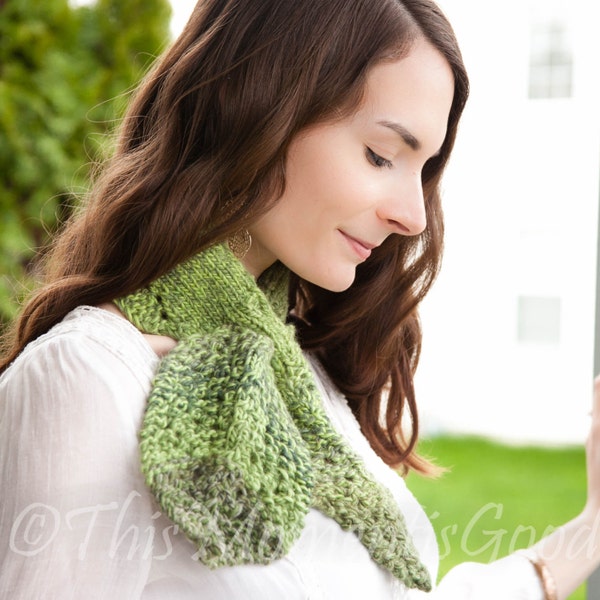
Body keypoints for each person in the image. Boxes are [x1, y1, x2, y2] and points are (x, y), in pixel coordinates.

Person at [0, 0, 598, 598]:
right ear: (257, 107)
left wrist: (587, 534)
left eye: (423, 169)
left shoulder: (297, 364)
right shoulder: (87, 378)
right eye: (380, 155)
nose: (413, 216)